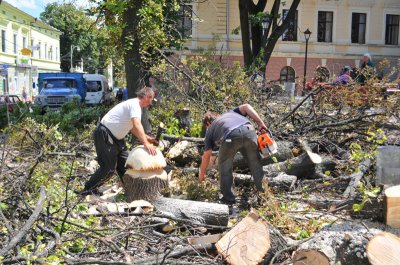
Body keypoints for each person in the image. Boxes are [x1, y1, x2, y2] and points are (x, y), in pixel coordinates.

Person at [78, 86, 159, 195]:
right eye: (151, 99)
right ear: (145, 96)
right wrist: (146, 144)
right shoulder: (135, 104)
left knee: (127, 165)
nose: (150, 103)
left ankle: (132, 191)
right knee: (108, 168)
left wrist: (148, 139)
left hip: (117, 139)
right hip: (105, 134)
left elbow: (133, 128)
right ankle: (87, 190)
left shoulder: (134, 106)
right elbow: (136, 124)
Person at [199, 104, 268, 205]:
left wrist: (202, 175)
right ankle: (265, 198)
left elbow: (206, 155)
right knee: (256, 166)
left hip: (230, 136)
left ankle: (228, 199)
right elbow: (246, 106)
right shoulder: (231, 113)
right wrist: (260, 123)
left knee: (224, 166)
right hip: (249, 131)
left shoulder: (211, 129)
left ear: (208, 123)